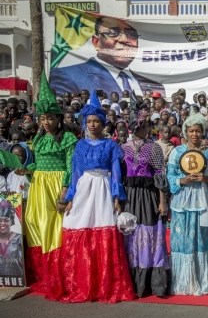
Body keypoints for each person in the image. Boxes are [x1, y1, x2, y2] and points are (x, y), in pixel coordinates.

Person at [58, 90, 134, 303]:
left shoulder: (111, 145)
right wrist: (71, 197)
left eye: (95, 121)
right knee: (78, 224)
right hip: (84, 189)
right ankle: (82, 283)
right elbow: (75, 173)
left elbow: (116, 172)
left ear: (103, 124)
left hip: (102, 188)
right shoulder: (80, 145)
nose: (92, 125)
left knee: (103, 226)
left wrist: (117, 196)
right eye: (89, 121)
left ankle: (104, 284)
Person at [16, 75, 78, 298]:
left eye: (49, 118)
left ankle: (60, 274)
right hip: (39, 186)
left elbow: (71, 166)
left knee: (55, 229)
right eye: (42, 119)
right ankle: (43, 274)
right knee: (35, 223)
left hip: (55, 185)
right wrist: (26, 169)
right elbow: (37, 162)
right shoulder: (39, 139)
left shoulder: (68, 138)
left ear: (58, 118)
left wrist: (64, 191)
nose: (45, 122)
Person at [167, 107, 208, 295]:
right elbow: (170, 176)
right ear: (185, 132)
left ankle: (205, 281)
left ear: (203, 132)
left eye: (198, 130)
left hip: (204, 201)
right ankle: (184, 283)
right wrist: (182, 180)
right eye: (191, 131)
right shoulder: (177, 152)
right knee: (184, 240)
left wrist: (205, 180)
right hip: (183, 201)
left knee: (204, 239)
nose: (195, 134)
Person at [50, 16, 165, 97]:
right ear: (96, 42)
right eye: (113, 33)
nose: (124, 40)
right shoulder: (66, 76)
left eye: (131, 34)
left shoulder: (154, 86)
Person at [121, 108, 170, 297]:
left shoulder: (154, 147)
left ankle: (154, 283)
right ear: (134, 127)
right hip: (130, 197)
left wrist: (162, 201)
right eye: (143, 126)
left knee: (151, 234)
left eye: (148, 125)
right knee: (132, 236)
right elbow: (120, 175)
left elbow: (159, 174)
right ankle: (135, 284)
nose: (146, 129)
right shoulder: (123, 147)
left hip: (149, 197)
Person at [0, 199, 24, 277]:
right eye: (0, 220)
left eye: (6, 220)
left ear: (12, 222)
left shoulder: (19, 239)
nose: (3, 223)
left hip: (17, 283)